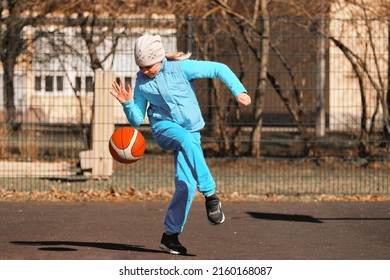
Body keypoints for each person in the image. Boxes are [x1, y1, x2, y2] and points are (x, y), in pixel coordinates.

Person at [110, 34, 251, 255]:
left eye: (148, 66)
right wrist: (128, 104)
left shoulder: (181, 68)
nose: (144, 71)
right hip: (164, 128)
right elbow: (137, 119)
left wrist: (239, 90)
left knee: (185, 185)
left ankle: (170, 237)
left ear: (159, 58)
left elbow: (219, 69)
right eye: (141, 67)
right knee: (185, 141)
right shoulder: (142, 83)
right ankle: (211, 195)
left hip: (191, 132)